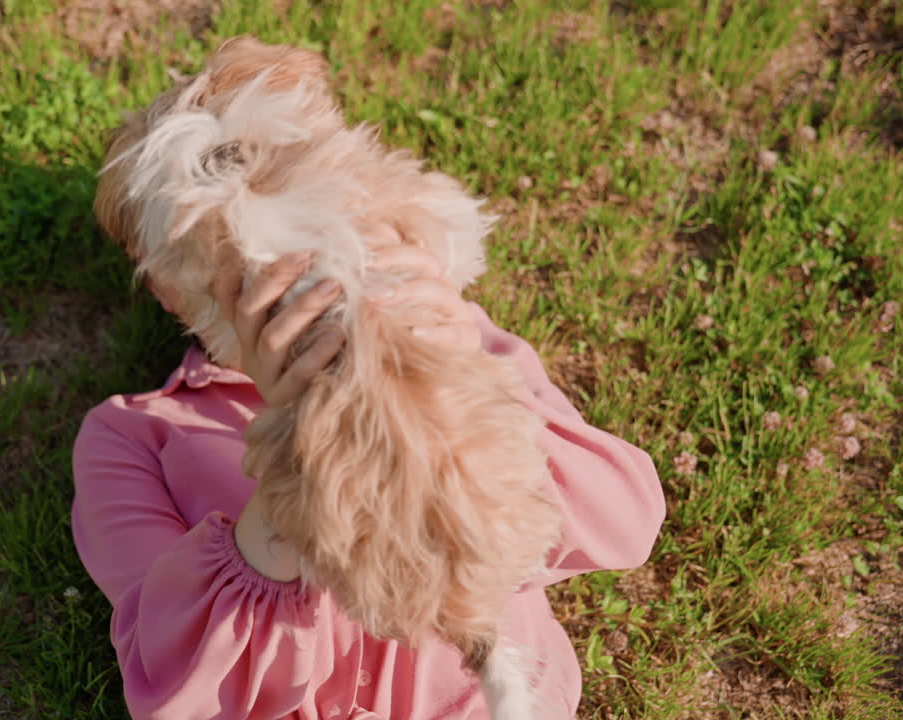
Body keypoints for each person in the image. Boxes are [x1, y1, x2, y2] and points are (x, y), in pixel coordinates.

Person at [71, 244, 666, 719]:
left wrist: (457, 378)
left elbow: (619, 522)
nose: (256, 253)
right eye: (207, 231)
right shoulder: (132, 432)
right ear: (161, 281)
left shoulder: (447, 333)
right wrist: (293, 456)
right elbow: (183, 688)